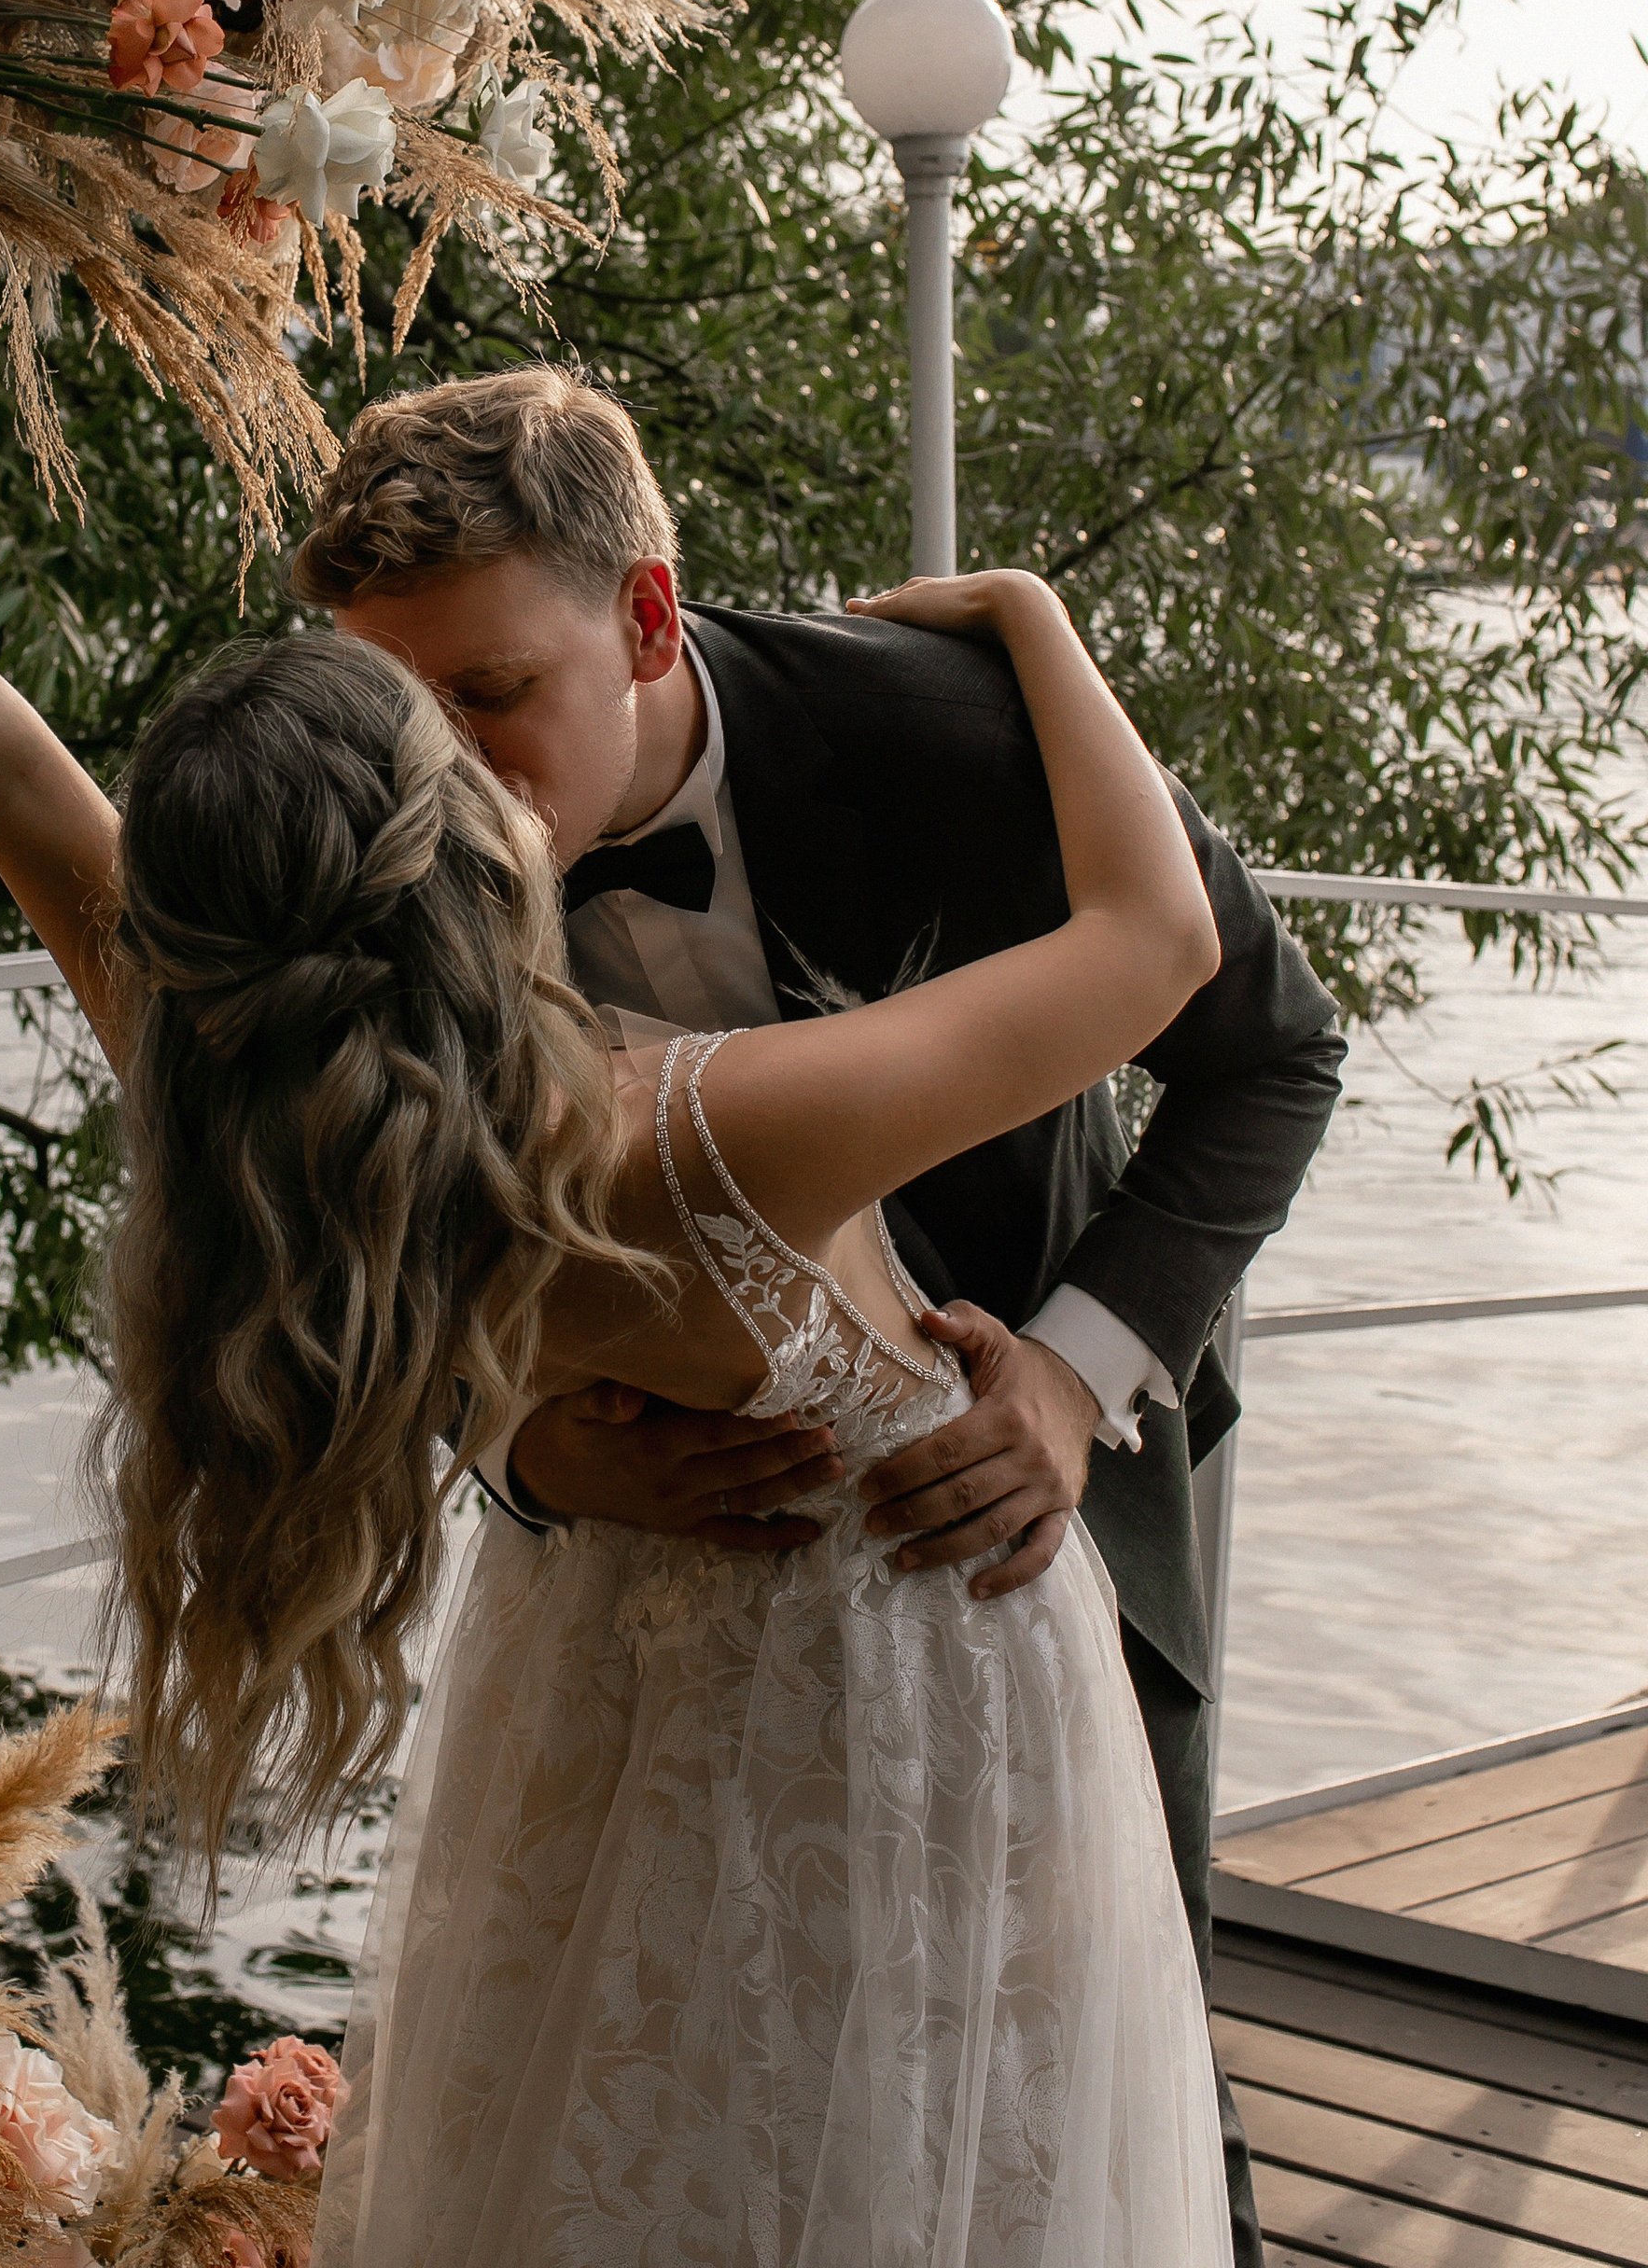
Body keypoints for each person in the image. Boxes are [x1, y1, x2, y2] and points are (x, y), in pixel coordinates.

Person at [0, 376, 1253, 2263]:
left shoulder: (231, 1077)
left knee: (605, 2140)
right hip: (912, 1685)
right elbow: (1155, 943)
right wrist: (1032, 619)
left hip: (588, 1665)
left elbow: (14, 777)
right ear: (447, 840)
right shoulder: (701, 1137)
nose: (489, 762)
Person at [293, 370, 1346, 2268]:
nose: (438, 770)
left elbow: (1268, 1052)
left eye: (488, 692)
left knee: (1103, 2085)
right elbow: (365, 1207)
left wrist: (1071, 1373)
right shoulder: (381, 833)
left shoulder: (951, 735)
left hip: (1019, 1534)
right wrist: (514, 1438)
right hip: (652, 1606)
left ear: (641, 618)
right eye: (394, 704)